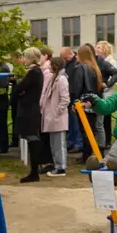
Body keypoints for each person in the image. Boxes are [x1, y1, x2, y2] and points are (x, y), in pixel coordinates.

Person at [13, 47, 45, 183]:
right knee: (31, 139)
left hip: (29, 110)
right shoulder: (35, 72)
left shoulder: (34, 72)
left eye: (25, 57)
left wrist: (19, 89)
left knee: (32, 139)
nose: (23, 60)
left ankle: (34, 171)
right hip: (30, 108)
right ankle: (34, 171)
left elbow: (19, 88)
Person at [41, 56, 70, 176]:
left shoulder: (61, 79)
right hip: (51, 116)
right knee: (54, 143)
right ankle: (56, 164)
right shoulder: (54, 78)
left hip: (57, 116)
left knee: (59, 143)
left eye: (51, 64)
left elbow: (65, 99)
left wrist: (57, 111)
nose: (48, 66)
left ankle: (61, 167)